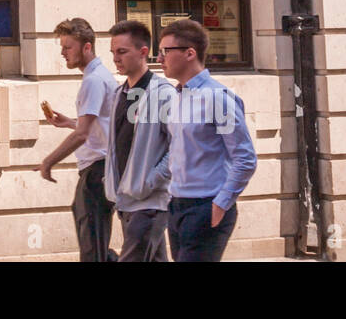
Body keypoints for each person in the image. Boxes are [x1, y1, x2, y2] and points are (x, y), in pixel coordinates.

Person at [159, 18, 257, 262]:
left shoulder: (217, 98)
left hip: (206, 206)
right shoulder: (178, 96)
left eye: (165, 52)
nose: (159, 59)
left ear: (190, 53)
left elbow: (245, 158)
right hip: (177, 205)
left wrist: (221, 203)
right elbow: (178, 151)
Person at [38, 17, 118, 262]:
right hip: (102, 169)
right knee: (96, 244)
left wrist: (48, 161)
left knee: (93, 247)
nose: (62, 53)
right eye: (62, 47)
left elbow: (83, 134)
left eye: (67, 47)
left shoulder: (93, 80)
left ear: (87, 47)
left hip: (97, 171)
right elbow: (99, 125)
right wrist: (70, 122)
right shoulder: (100, 76)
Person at [104, 19, 177, 261]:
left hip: (150, 204)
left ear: (143, 52)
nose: (116, 58)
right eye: (113, 52)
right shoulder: (119, 94)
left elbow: (180, 146)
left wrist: (151, 181)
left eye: (122, 52)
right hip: (126, 201)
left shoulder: (163, 94)